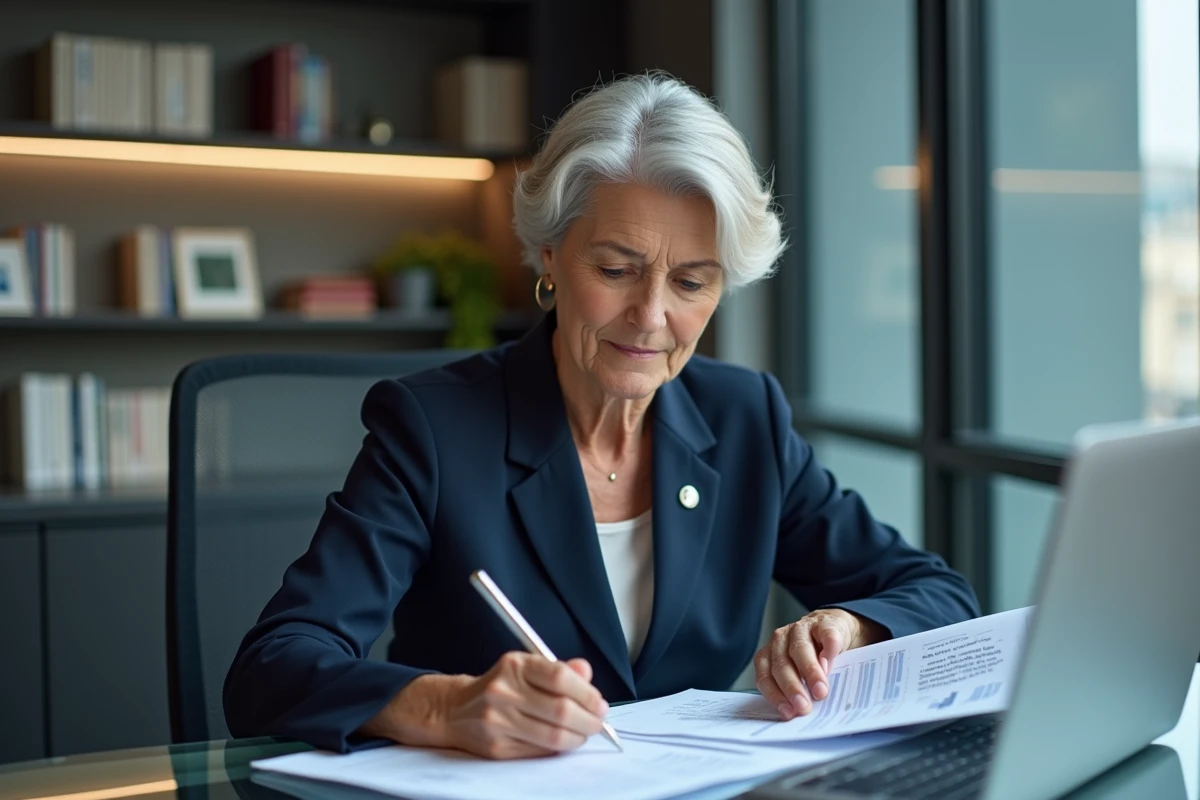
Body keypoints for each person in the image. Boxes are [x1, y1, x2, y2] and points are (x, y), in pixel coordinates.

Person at [224, 72, 979, 760]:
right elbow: (274, 665)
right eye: (615, 270)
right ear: (551, 256)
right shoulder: (431, 427)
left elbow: (939, 596)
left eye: (690, 282)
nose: (650, 317)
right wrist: (440, 705)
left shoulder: (746, 417)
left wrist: (849, 626)